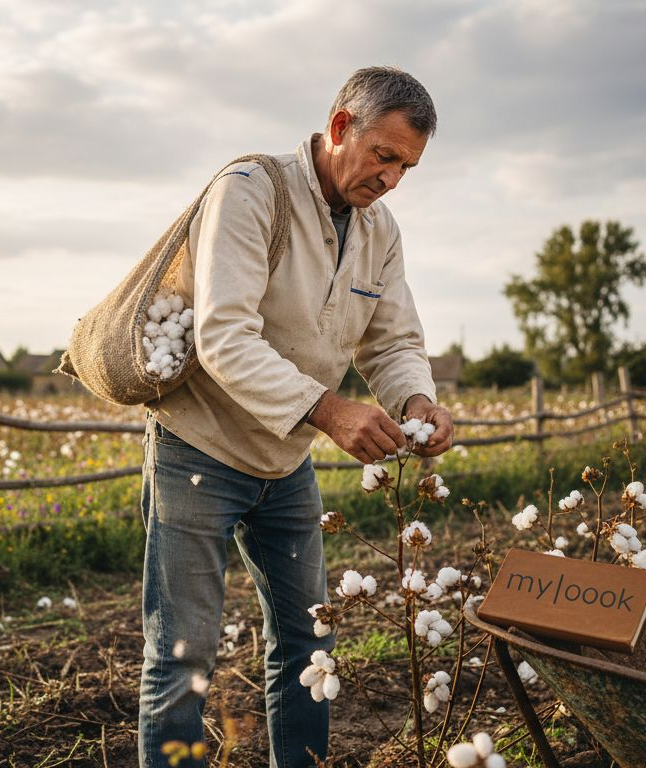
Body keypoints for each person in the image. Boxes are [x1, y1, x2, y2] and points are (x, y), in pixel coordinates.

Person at [137, 66, 454, 768]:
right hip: (199, 452)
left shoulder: (380, 229)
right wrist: (328, 409)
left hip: (284, 464)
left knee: (310, 642)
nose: (393, 179)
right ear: (341, 127)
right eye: (384, 156)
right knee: (184, 655)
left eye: (407, 166)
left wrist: (414, 401)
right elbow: (223, 337)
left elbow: (394, 339)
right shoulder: (252, 192)